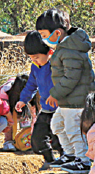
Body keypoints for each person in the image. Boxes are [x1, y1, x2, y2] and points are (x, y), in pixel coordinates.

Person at [36, 9, 95, 174]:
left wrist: (55, 93)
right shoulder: (64, 48)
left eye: (44, 34)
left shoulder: (71, 51)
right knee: (57, 125)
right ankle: (70, 154)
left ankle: (83, 160)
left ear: (57, 32)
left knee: (73, 129)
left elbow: (71, 78)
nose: (43, 39)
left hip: (76, 102)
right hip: (67, 101)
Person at [16, 32, 65, 166]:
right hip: (46, 109)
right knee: (37, 138)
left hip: (61, 109)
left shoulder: (59, 65)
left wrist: (56, 94)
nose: (34, 61)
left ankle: (65, 159)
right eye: (31, 58)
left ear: (50, 51)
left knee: (60, 138)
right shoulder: (35, 67)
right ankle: (49, 160)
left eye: (36, 57)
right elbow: (31, 84)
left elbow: (65, 83)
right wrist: (23, 100)